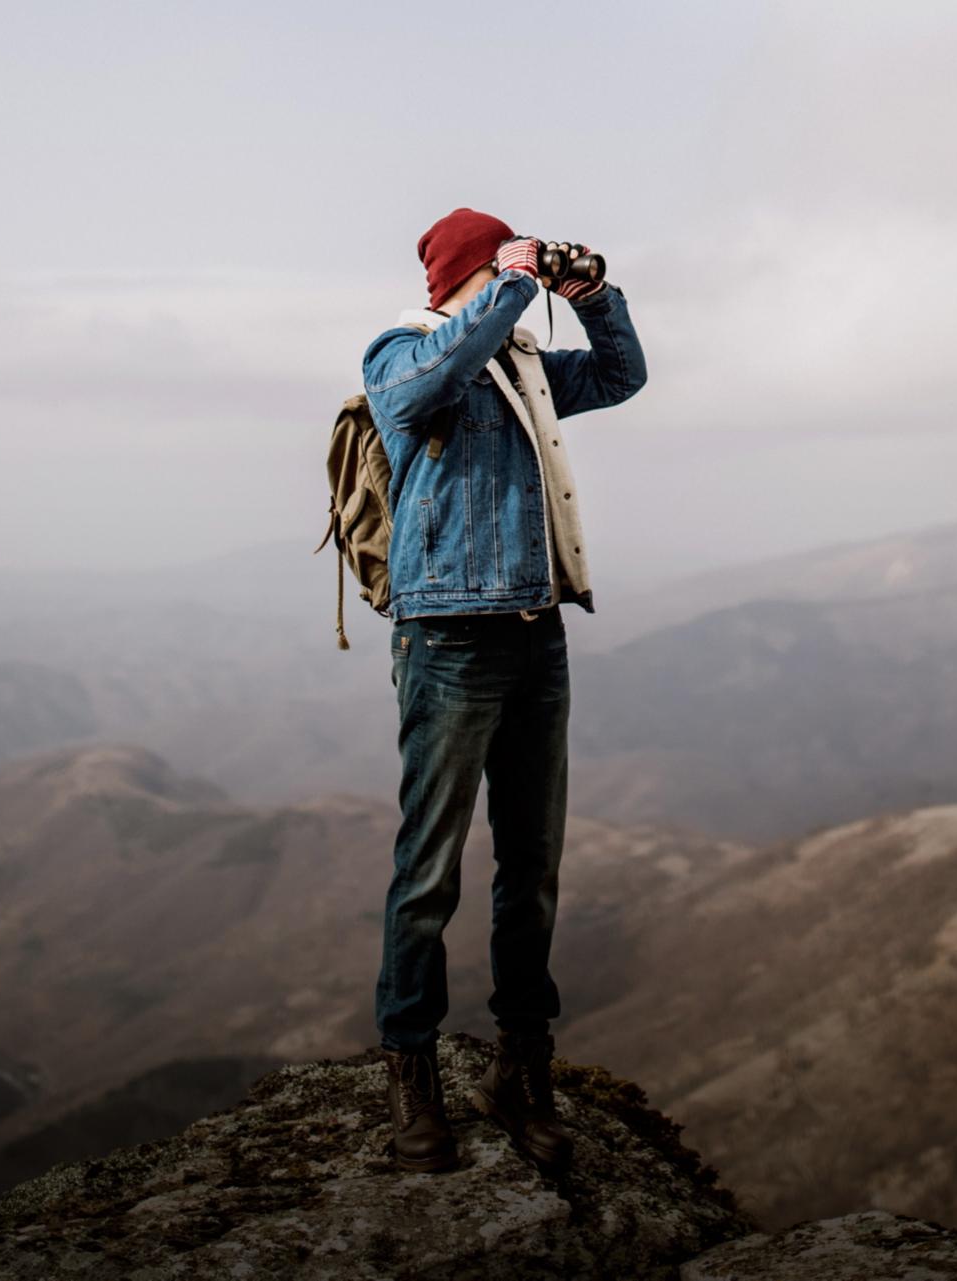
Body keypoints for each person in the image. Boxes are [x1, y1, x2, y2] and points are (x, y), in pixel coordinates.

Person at [359, 207, 647, 1173]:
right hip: (447, 637)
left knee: (530, 869)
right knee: (428, 872)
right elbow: (425, 388)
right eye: (501, 265)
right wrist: (515, 285)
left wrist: (593, 295)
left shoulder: (523, 366)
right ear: (467, 275)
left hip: (536, 632)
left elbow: (618, 376)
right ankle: (412, 1078)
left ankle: (521, 1073)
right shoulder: (400, 349)